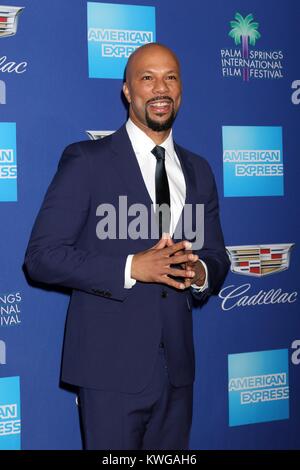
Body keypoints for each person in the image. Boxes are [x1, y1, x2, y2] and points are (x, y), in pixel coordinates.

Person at [24, 42, 230, 450]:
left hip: (178, 371)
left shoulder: (199, 170)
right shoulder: (87, 159)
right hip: (108, 371)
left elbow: (217, 256)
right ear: (127, 91)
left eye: (170, 78)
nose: (160, 89)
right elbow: (41, 258)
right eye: (147, 78)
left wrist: (201, 273)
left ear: (181, 90)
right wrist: (130, 268)